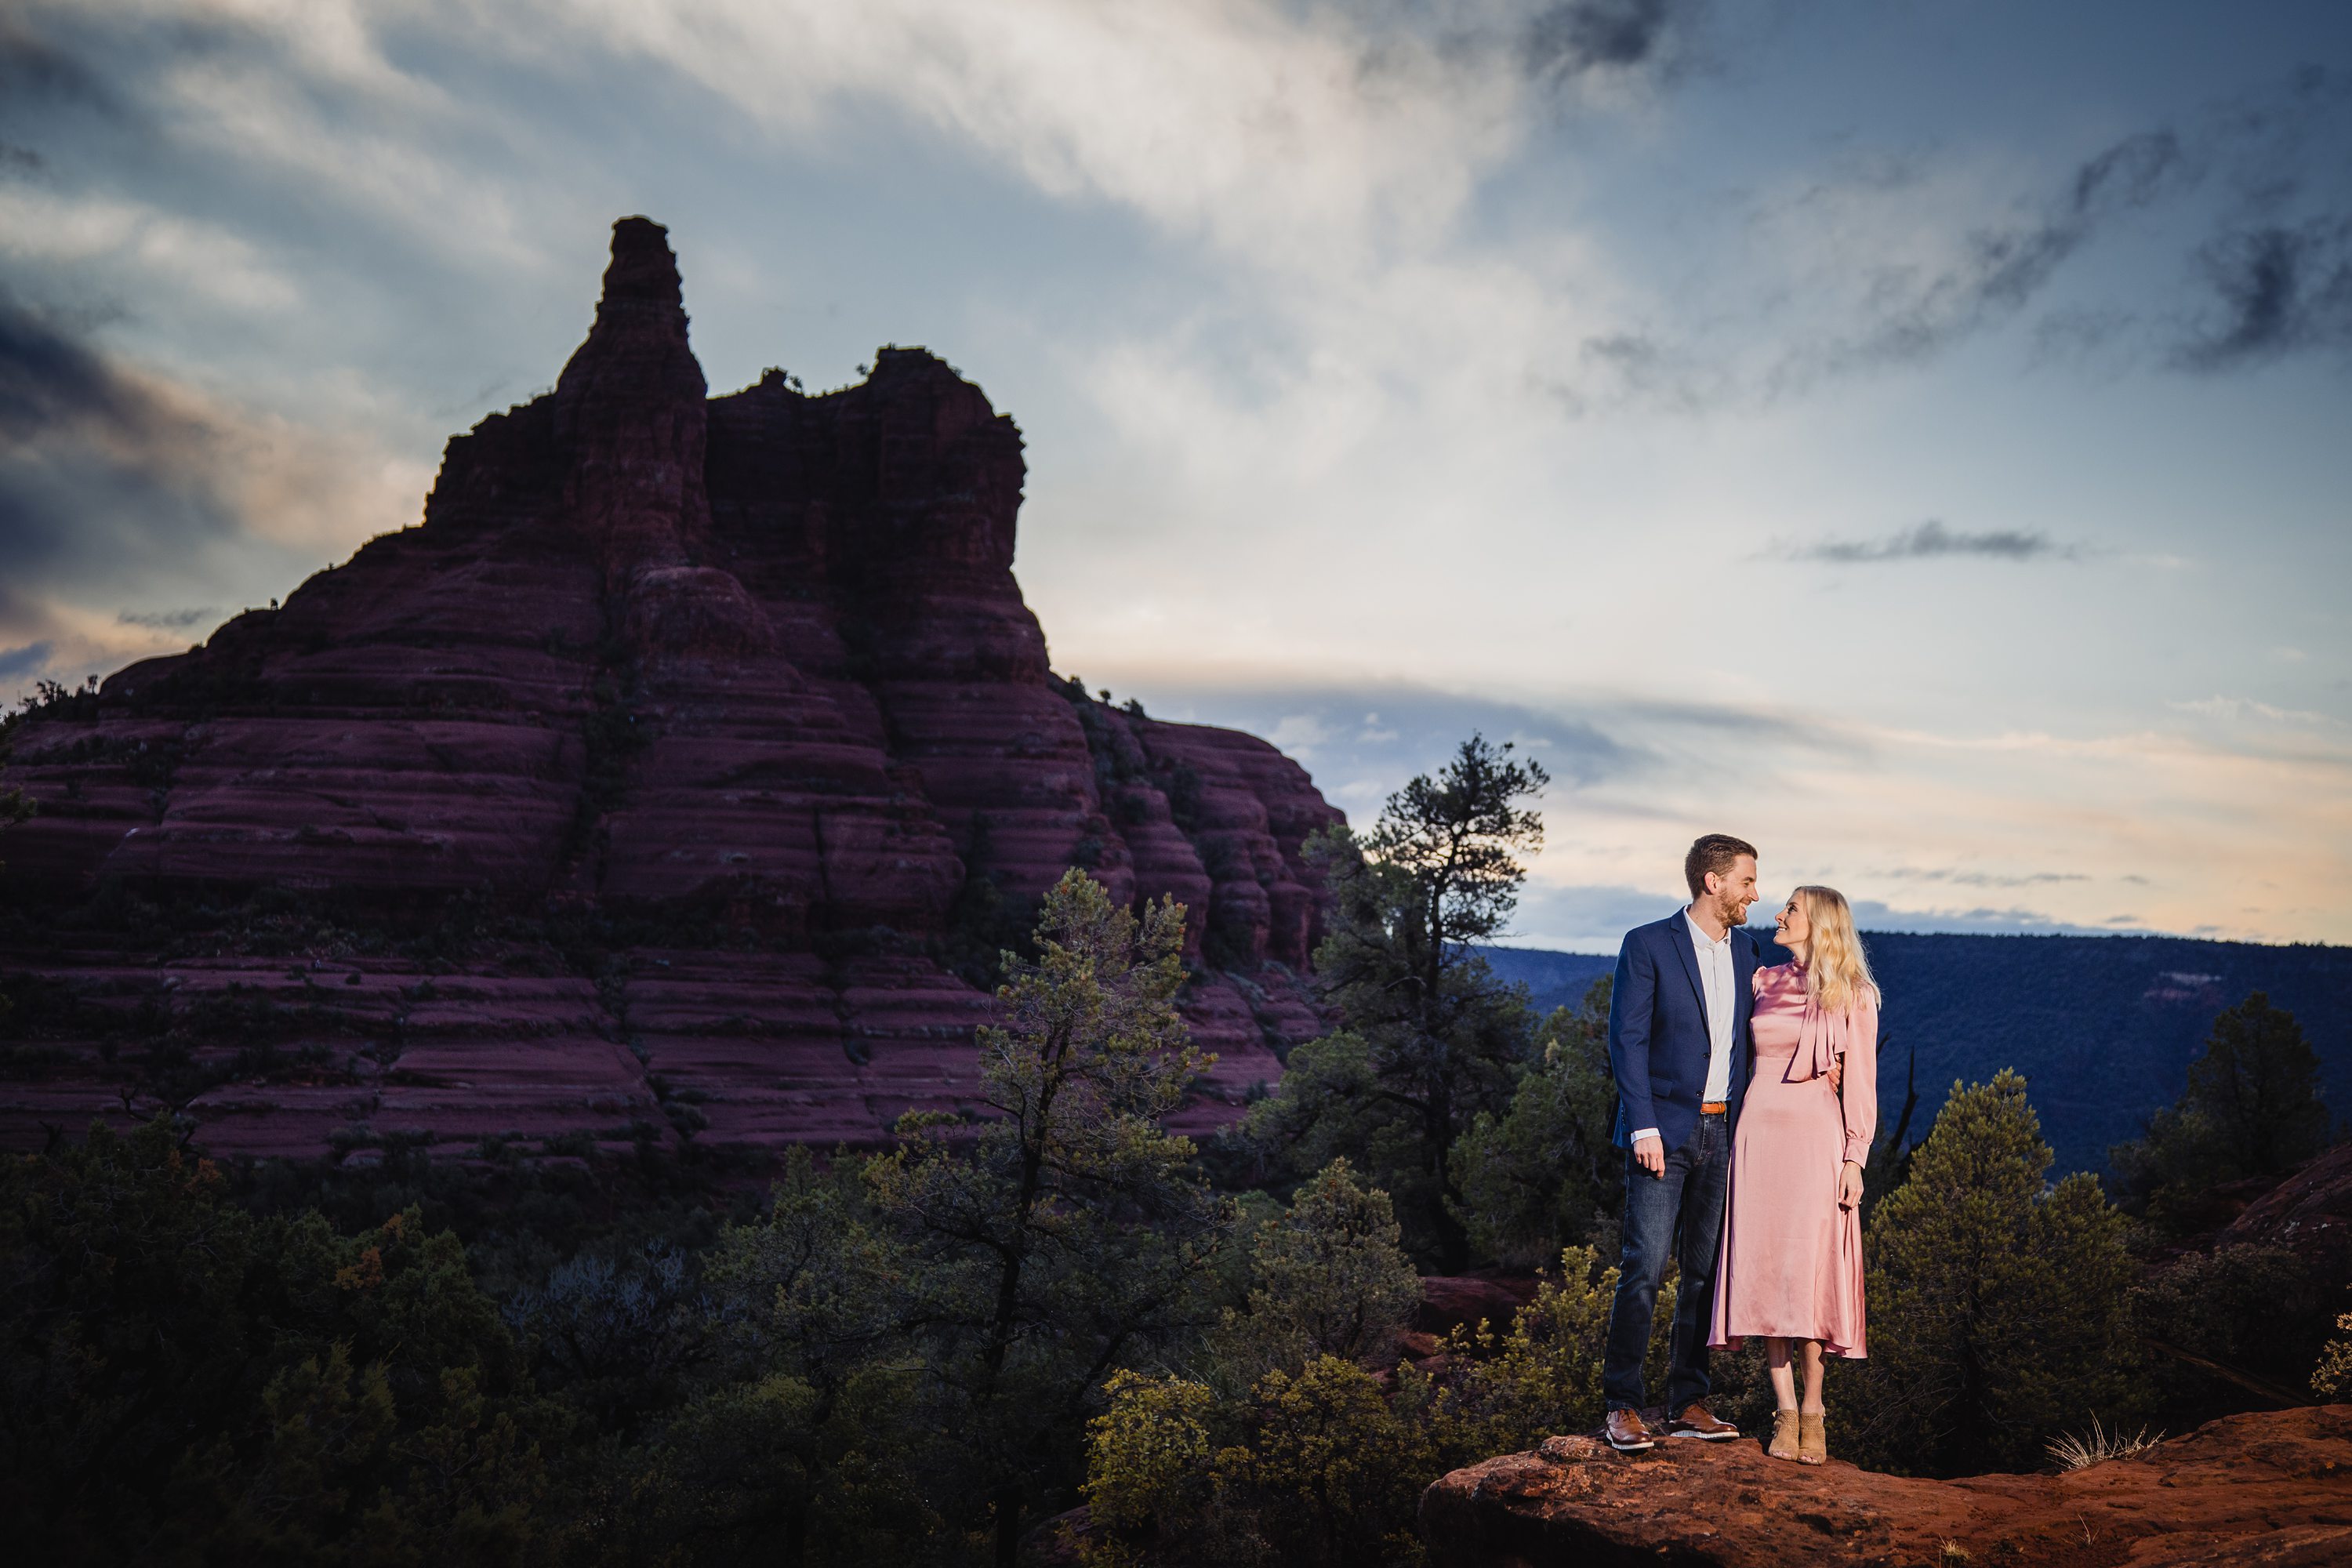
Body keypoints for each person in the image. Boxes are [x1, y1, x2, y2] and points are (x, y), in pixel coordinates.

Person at [1597, 833, 1764, 1452]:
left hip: (1725, 1132)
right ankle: (1623, 1407)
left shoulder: (1747, 951)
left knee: (1703, 1274)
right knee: (1643, 1270)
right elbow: (1627, 1041)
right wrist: (1642, 1126)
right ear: (1713, 882)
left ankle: (1689, 1402)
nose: (1755, 892)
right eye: (1747, 880)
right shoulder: (1647, 945)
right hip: (1661, 1134)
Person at [1708, 884, 1880, 1466]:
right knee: (1765, 1271)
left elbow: (1861, 1084)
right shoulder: (1761, 981)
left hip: (1817, 1142)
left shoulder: (1856, 995)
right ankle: (1783, 1410)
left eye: (1791, 909)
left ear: (1821, 923)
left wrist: (1855, 1158)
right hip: (1757, 1138)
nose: (1777, 915)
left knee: (1809, 1274)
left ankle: (1815, 1410)